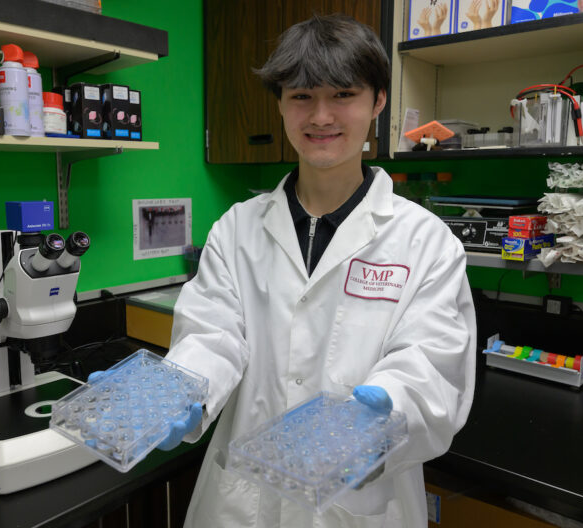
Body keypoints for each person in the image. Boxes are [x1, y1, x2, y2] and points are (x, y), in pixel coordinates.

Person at [162, 13, 475, 527]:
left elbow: (431, 367)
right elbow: (213, 335)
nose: (321, 116)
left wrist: (379, 417)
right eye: (302, 96)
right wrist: (180, 389)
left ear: (377, 102)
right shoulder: (237, 229)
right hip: (243, 503)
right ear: (281, 105)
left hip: (359, 504)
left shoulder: (424, 241)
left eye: (344, 95)